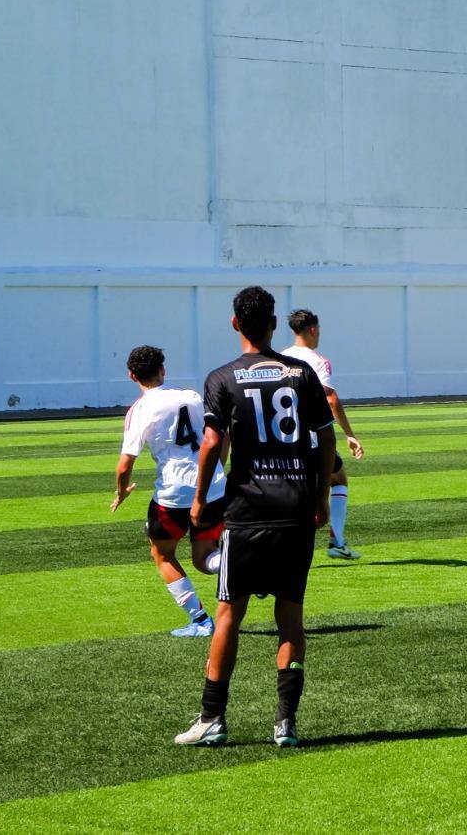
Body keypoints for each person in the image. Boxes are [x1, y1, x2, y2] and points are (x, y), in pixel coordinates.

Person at [175, 286, 335, 748]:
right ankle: (286, 723)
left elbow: (211, 444)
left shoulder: (222, 377)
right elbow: (325, 441)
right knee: (291, 618)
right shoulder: (301, 373)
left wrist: (201, 499)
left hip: (246, 511)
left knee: (228, 614)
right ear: (272, 324)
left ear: (234, 323)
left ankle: (212, 719)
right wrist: (320, 496)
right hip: (295, 508)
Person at [111, 345, 227, 637]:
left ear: (131, 375)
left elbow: (125, 464)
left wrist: (122, 492)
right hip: (212, 488)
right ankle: (244, 565)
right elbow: (221, 433)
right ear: (163, 370)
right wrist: (217, 469)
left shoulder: (140, 409)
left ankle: (200, 620)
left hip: (173, 494)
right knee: (204, 559)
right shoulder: (192, 397)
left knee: (162, 554)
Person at [282, 309, 364, 561]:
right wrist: (349, 434)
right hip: (312, 439)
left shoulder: (280, 357)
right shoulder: (317, 360)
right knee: (336, 481)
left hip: (282, 437)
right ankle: (336, 541)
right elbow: (330, 397)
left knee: (295, 494)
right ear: (313, 330)